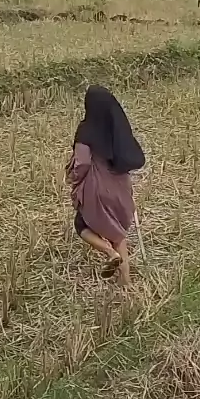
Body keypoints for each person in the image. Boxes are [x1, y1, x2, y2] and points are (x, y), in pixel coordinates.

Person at [66, 85, 145, 286]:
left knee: (81, 225)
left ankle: (109, 252)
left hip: (98, 189)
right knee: (118, 232)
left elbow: (82, 163)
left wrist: (73, 179)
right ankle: (125, 281)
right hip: (121, 187)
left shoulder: (86, 131)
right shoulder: (117, 128)